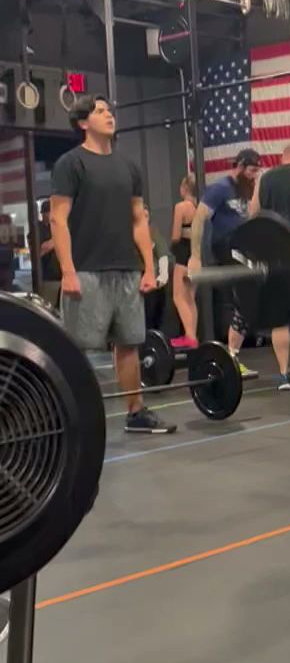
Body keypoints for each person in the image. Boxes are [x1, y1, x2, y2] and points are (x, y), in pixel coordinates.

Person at [50, 94, 175, 434]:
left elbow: (138, 220)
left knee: (129, 344)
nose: (108, 115)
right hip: (87, 271)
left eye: (109, 110)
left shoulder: (128, 167)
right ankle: (72, 417)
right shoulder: (71, 164)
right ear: (83, 123)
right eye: (99, 111)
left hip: (127, 270)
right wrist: (68, 271)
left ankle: (136, 413)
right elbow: (58, 220)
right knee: (78, 349)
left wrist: (148, 267)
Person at [188, 148, 261, 379]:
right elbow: (199, 219)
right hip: (225, 251)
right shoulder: (220, 188)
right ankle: (230, 357)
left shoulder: (245, 190)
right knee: (243, 301)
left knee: (247, 304)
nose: (254, 176)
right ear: (239, 166)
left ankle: (232, 357)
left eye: (257, 172)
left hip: (243, 249)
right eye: (251, 171)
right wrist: (195, 256)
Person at [249, 142, 290, 390]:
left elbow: (253, 213)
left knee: (280, 318)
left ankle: (285, 374)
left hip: (275, 254)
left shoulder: (265, 179)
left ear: (283, 157)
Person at [170, 175, 197, 347]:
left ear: (185, 188)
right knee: (190, 297)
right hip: (196, 254)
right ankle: (192, 334)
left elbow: (175, 236)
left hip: (183, 253)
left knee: (178, 297)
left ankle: (190, 336)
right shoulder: (199, 207)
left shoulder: (181, 207)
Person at [142, 205, 170, 333]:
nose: (145, 219)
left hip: (155, 280)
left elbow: (162, 253)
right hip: (139, 280)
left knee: (155, 316)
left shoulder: (153, 233)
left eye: (146, 216)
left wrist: (163, 275)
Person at [38, 199, 61, 308]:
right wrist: (59, 238)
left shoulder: (55, 227)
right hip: (49, 278)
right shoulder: (38, 229)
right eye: (50, 212)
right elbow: (41, 249)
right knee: (48, 309)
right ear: (44, 213)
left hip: (62, 277)